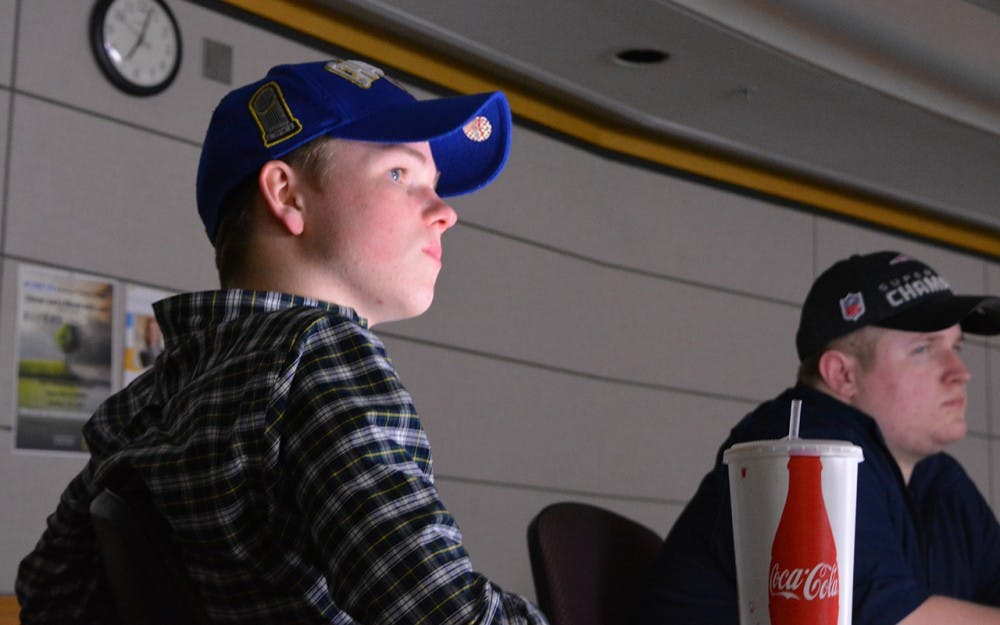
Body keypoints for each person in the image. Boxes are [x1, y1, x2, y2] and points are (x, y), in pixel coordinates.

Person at [16, 58, 547, 624]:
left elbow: (49, 595)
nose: (445, 214)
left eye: (435, 187)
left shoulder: (147, 401)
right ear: (287, 195)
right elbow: (440, 612)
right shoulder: (323, 356)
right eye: (400, 175)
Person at [637, 250, 1000, 625]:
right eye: (924, 349)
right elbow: (887, 620)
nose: (960, 372)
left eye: (955, 347)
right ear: (842, 375)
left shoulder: (939, 481)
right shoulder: (801, 446)